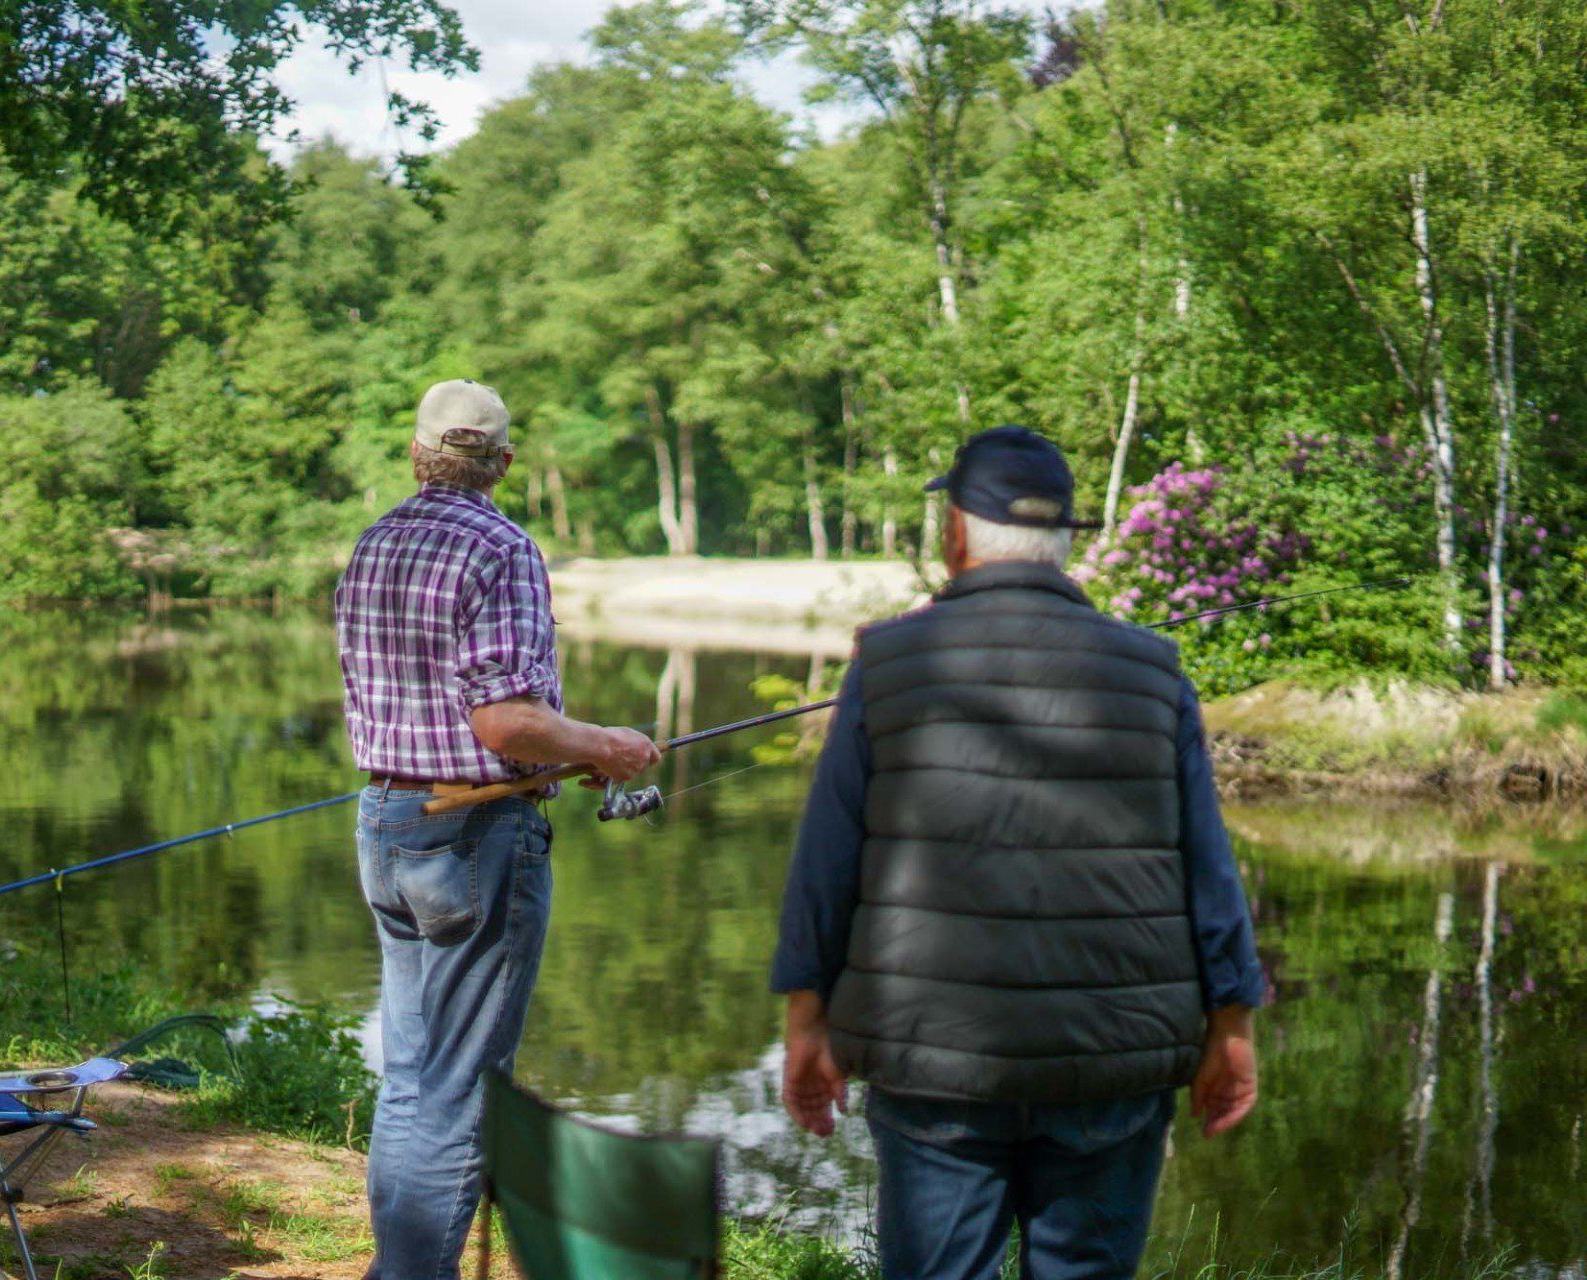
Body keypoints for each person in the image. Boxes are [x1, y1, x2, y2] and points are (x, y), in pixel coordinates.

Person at [770, 425, 1264, 1280]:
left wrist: (806, 1019)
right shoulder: (1155, 671)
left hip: (935, 1060)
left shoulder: (887, 664)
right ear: (1065, 539)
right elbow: (1208, 871)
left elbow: (828, 860)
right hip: (1114, 1059)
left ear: (956, 532)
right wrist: (1233, 1023)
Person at [334, 379, 662, 1280]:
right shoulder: (502, 545)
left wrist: (571, 749)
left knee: (413, 1075)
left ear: (416, 454)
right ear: (505, 463)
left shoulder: (375, 541)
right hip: (475, 839)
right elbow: (503, 723)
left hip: (388, 818)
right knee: (458, 1089)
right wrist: (605, 743)